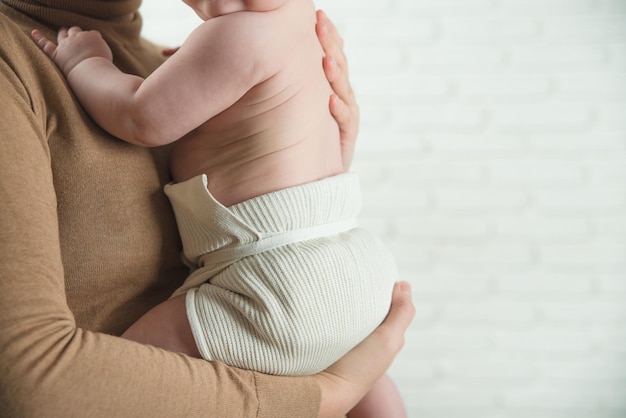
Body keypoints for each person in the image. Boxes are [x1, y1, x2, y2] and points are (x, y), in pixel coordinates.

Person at [0, 0, 415, 417]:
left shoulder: (225, 38)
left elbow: (138, 115)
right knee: (362, 374)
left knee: (155, 352)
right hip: (354, 261)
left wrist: (86, 62)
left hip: (274, 277)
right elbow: (44, 388)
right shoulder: (296, 31)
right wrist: (332, 393)